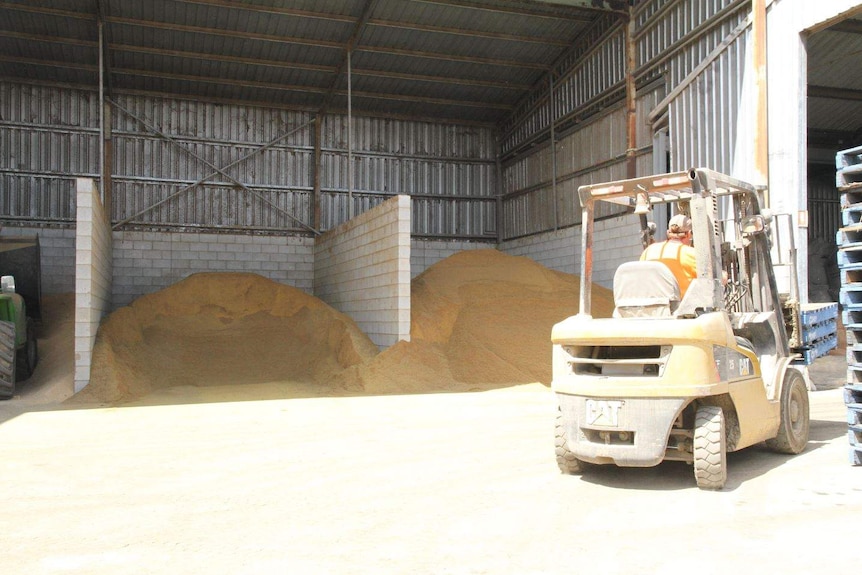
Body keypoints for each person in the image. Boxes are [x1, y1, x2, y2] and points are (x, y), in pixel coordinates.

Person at [640, 214, 697, 298]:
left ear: (668, 233)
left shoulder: (648, 251)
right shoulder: (692, 254)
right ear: (689, 234)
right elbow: (710, 279)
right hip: (682, 308)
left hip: (653, 305)